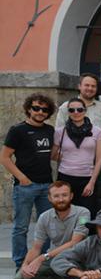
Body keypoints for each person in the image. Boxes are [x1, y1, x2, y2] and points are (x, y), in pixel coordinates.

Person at [12, 181, 90, 279]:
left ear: (71, 196)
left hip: (77, 258)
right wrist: (25, 265)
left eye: (64, 195)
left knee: (70, 264)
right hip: (53, 259)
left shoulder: (83, 213)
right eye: (56, 196)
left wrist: (43, 257)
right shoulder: (44, 217)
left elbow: (75, 242)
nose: (61, 199)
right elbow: (36, 247)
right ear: (49, 198)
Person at [1, 94, 56, 269]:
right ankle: (20, 264)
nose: (40, 112)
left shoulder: (49, 130)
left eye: (44, 109)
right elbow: (5, 157)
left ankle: (43, 263)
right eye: (36, 108)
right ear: (28, 109)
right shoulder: (17, 130)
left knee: (46, 226)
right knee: (21, 228)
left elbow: (54, 155)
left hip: (46, 185)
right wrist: (22, 178)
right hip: (25, 187)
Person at [51, 98, 101, 215]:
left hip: (87, 178)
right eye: (72, 110)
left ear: (85, 111)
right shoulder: (60, 132)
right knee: (66, 211)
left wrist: (92, 182)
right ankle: (67, 233)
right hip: (65, 177)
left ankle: (83, 233)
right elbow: (53, 155)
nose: (76, 113)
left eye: (79, 109)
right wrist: (64, 158)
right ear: (68, 112)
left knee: (86, 213)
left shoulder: (96, 131)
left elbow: (99, 159)